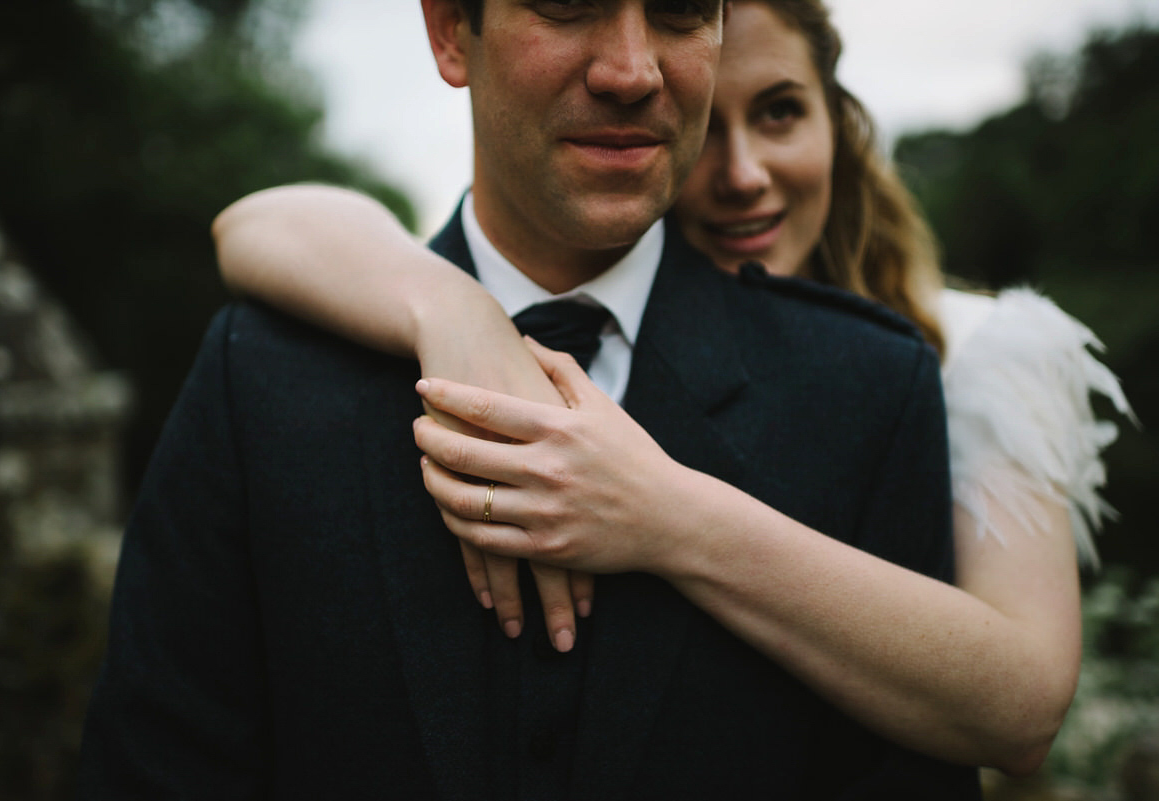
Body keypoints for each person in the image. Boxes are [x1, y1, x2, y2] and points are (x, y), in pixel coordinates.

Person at [210, 0, 1134, 778]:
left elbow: (1020, 703)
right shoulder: (273, 365)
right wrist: (451, 309)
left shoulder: (916, 365)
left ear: (839, 126)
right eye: (570, 2)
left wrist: (661, 509)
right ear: (454, 31)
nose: (738, 178)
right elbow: (258, 223)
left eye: (778, 113)